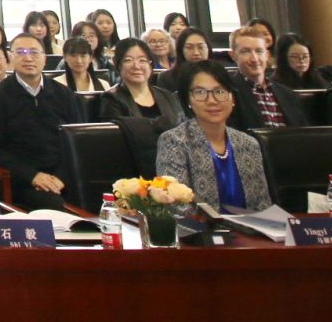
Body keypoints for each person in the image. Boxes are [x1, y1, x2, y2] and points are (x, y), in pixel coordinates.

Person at [0, 34, 86, 211]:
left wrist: (61, 177)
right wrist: (32, 176)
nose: (28, 58)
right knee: (56, 206)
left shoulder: (64, 94)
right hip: (23, 180)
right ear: (10, 58)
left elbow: (77, 142)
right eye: (21, 52)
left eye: (34, 52)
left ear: (44, 59)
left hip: (64, 177)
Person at [156, 63, 273, 210]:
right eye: (200, 92)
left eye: (219, 91)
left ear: (232, 98)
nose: (212, 100)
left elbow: (263, 204)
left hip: (250, 225)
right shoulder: (174, 142)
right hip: (199, 225)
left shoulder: (249, 143)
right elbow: (176, 207)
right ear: (188, 100)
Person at [98, 38, 182, 175]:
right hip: (134, 170)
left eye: (142, 60)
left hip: (174, 166)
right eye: (128, 60)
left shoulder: (168, 96)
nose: (136, 66)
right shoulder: (111, 99)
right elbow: (116, 143)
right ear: (118, 64)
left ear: (150, 64)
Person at [227, 26, 307, 129]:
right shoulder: (228, 92)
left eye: (259, 51)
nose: (254, 59)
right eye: (245, 51)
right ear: (233, 55)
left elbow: (303, 133)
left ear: (267, 55)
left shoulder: (288, 95)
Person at [156, 28, 214, 94]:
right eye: (189, 47)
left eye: (201, 47)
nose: (196, 52)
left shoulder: (219, 74)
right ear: (181, 50)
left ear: (208, 48)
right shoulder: (166, 78)